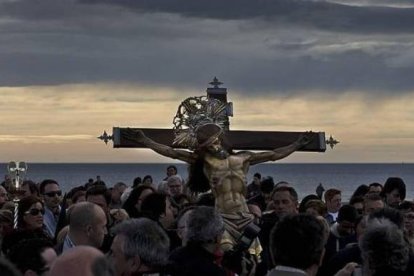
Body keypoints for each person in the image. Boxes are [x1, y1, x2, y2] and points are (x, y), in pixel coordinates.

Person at [125, 123, 310, 252]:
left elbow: (274, 154)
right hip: (222, 217)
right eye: (205, 143)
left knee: (255, 255)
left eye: (211, 141)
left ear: (220, 140)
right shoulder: (204, 161)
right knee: (225, 255)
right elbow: (171, 152)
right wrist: (146, 140)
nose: (209, 146)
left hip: (245, 216)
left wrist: (296, 144)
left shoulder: (243, 158)